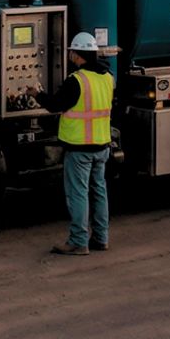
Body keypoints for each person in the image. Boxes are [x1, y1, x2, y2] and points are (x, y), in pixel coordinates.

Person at [38, 30, 115, 255]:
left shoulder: (77, 80)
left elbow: (54, 105)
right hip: (102, 145)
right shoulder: (107, 77)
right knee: (99, 191)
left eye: (72, 52)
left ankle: (78, 241)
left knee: (78, 194)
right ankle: (101, 238)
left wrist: (36, 94)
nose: (70, 55)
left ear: (78, 55)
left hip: (80, 148)